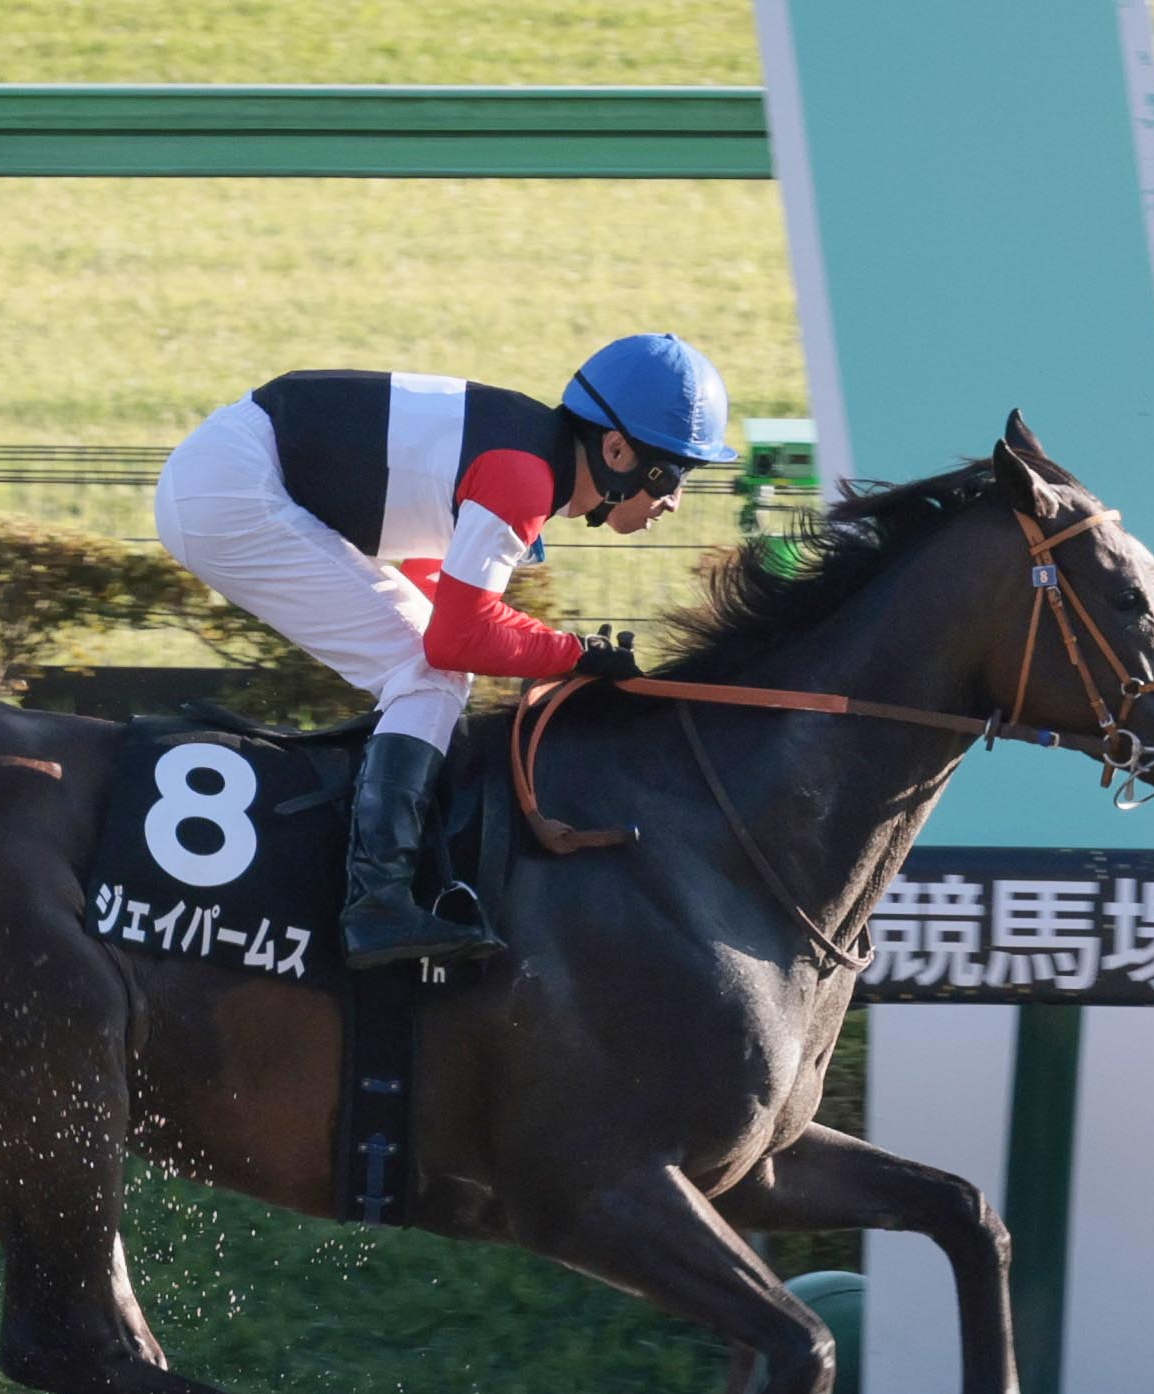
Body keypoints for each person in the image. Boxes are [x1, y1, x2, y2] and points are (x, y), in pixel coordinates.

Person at [152, 333, 737, 968]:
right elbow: (456, 639)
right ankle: (377, 903)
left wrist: (552, 652)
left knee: (433, 670)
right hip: (232, 491)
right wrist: (574, 653)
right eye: (672, 474)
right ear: (617, 450)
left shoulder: (529, 454)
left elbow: (435, 585)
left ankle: (390, 872)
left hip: (227, 470)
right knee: (427, 673)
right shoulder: (523, 476)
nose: (674, 500)